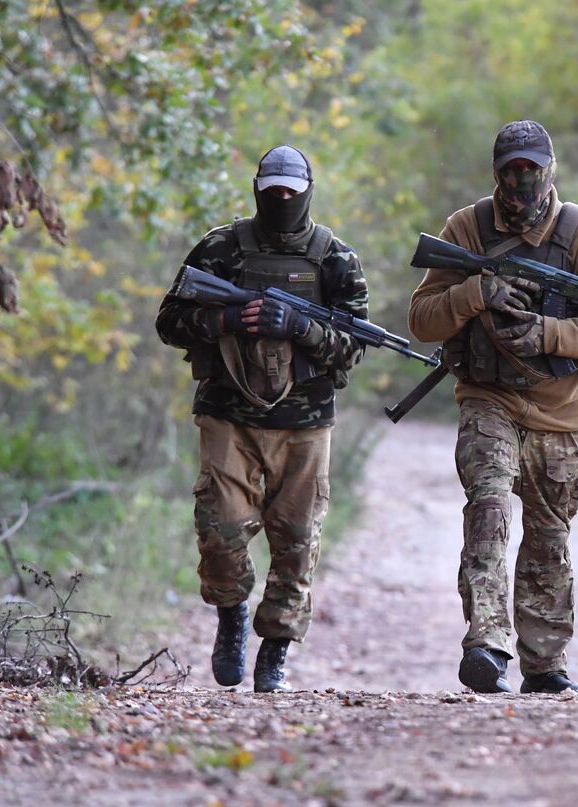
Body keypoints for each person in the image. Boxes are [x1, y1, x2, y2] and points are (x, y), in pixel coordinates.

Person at [408, 120, 578, 694]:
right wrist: (474, 294)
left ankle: (543, 663)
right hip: (489, 398)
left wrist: (547, 333)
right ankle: (487, 642)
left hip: (561, 412)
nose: (522, 181)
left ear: (550, 169)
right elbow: (421, 320)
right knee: (487, 508)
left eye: (531, 170)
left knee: (548, 540)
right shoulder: (466, 228)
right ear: (496, 173)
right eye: (511, 170)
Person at [156, 144, 368, 693]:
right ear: (256, 188)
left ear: (306, 193)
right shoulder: (220, 249)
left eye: (289, 194)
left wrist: (301, 328)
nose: (279, 200)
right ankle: (231, 618)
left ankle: (274, 650)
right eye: (270, 191)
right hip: (228, 414)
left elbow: (356, 344)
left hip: (306, 422)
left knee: (297, 540)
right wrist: (226, 317)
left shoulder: (335, 259)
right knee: (220, 530)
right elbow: (169, 320)